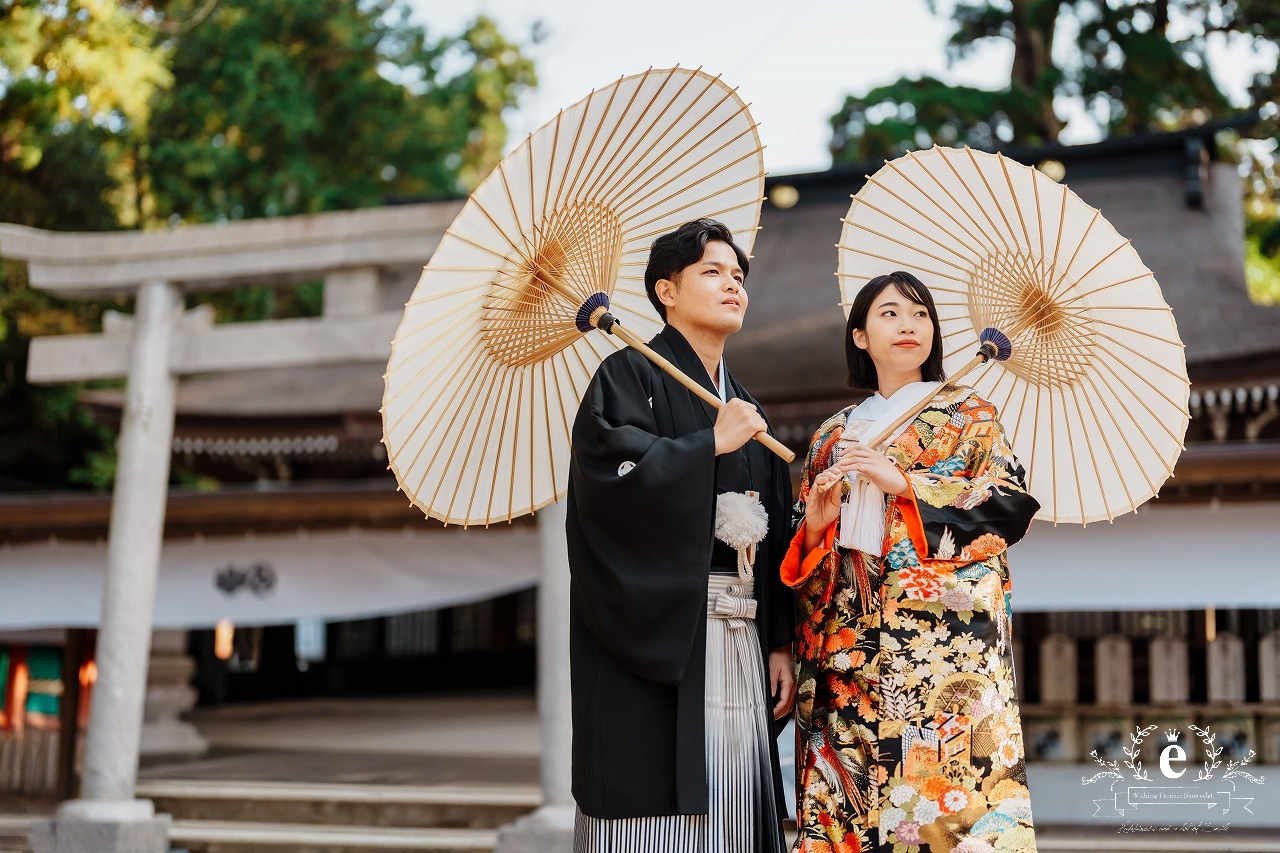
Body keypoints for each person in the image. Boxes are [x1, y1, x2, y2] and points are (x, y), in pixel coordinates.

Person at [784, 271, 1041, 853]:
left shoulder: (970, 416)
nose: (909, 326)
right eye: (891, 314)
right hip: (847, 653)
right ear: (859, 337)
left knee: (944, 804)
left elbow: (1006, 510)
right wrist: (820, 522)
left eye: (921, 315)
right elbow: (805, 544)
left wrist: (903, 481)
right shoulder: (832, 435)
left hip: (939, 653)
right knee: (844, 800)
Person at [567, 218, 796, 852]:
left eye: (739, 276)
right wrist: (708, 446)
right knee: (657, 806)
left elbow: (774, 531)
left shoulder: (742, 402)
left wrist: (779, 639)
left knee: (736, 804)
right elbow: (607, 487)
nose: (734, 287)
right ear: (667, 291)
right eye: (713, 273)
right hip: (661, 630)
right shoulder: (625, 379)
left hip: (743, 631)